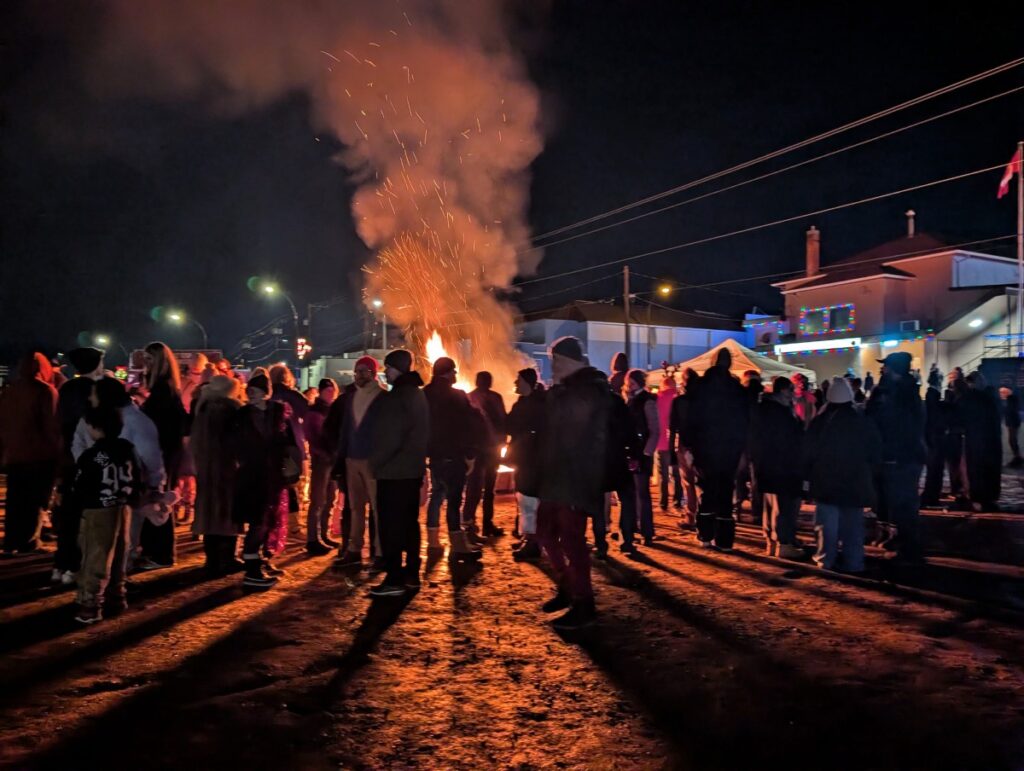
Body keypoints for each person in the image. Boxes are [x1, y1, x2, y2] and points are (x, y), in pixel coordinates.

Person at [534, 336, 616, 630]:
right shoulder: (569, 389)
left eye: (555, 361)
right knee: (544, 532)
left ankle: (584, 603)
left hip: (577, 476)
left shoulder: (589, 390)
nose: (551, 367)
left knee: (572, 541)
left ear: (568, 361)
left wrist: (556, 395)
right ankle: (568, 587)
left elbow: (576, 432)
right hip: (557, 475)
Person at [72, 377, 167, 572]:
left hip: (126, 493)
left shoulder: (136, 422)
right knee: (108, 540)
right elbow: (78, 443)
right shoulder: (90, 417)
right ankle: (111, 581)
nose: (90, 397)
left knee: (125, 538)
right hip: (106, 493)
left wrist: (154, 486)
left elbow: (151, 457)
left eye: (94, 393)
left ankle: (115, 579)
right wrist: (90, 464)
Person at [368, 350, 430, 597]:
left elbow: (389, 438)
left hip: (393, 473)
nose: (385, 372)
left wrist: (375, 463)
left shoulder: (396, 399)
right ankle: (412, 573)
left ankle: (394, 577)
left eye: (389, 368)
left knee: (390, 526)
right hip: (412, 471)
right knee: (409, 524)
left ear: (399, 369)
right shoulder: (418, 395)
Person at [804, 377, 881, 573]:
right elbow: (874, 450)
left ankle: (825, 558)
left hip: (826, 481)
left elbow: (808, 452)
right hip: (855, 481)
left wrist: (807, 476)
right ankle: (854, 562)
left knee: (826, 525)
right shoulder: (862, 420)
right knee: (853, 525)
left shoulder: (820, 422)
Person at [233, 373, 300, 589]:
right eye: (249, 391)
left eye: (256, 390)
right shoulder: (242, 415)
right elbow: (233, 444)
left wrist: (292, 468)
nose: (251, 394)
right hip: (251, 475)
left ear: (266, 392)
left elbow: (289, 443)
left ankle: (259, 562)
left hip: (272, 476)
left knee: (269, 520)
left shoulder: (278, 413)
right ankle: (252, 569)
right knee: (257, 520)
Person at [73, 406, 139, 624]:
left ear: (95, 428)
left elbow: (81, 485)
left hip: (98, 509)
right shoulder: (127, 450)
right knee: (120, 552)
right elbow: (137, 477)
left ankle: (90, 604)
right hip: (123, 507)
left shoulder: (90, 456)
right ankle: (117, 596)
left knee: (96, 555)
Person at [52, 348, 113, 581]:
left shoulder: (66, 388)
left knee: (68, 512)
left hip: (68, 457)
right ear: (96, 364)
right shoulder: (98, 390)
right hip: (91, 458)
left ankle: (61, 564)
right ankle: (75, 565)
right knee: (88, 515)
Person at [685, 348, 749, 551]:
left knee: (707, 490)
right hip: (730, 448)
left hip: (705, 448)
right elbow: (744, 422)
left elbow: (691, 420)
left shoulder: (700, 388)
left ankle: (705, 534)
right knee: (725, 491)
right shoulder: (736, 390)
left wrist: (689, 447)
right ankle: (725, 540)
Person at [866, 351, 926, 562]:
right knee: (886, 499)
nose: (883, 369)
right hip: (887, 454)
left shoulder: (905, 393)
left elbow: (905, 426)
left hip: (902, 456)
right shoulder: (886, 390)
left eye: (887, 366)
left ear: (895, 369)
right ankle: (891, 536)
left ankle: (907, 545)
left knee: (903, 501)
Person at [422, 356, 483, 561]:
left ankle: (432, 541)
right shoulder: (457, 395)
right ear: (448, 372)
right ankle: (458, 547)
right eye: (454, 371)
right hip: (453, 455)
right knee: (454, 500)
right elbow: (469, 425)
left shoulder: (425, 394)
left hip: (434, 455)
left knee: (436, 495)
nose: (456, 374)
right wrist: (470, 454)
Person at [0, 352, 60, 556]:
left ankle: (11, 540)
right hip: (39, 456)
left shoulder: (10, 391)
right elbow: (51, 426)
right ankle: (29, 541)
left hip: (14, 455)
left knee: (16, 499)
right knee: (36, 500)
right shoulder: (45, 391)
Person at [138, 342, 187, 570]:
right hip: (163, 451)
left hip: (162, 452)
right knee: (158, 499)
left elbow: (169, 425)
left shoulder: (163, 390)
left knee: (159, 501)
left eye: (150, 360)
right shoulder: (165, 388)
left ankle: (161, 553)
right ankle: (155, 551)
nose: (145, 365)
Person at [332, 356, 385, 568]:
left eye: (363, 371)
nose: (359, 375)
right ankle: (354, 549)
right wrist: (340, 461)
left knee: (378, 508)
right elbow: (345, 431)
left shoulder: (382, 398)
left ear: (373, 373)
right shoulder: (351, 398)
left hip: (373, 460)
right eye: (357, 371)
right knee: (355, 507)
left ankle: (380, 552)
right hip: (352, 459)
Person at [190, 375, 244, 575]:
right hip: (228, 467)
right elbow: (239, 439)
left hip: (205, 467)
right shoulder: (232, 408)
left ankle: (212, 559)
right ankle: (228, 558)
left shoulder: (202, 408)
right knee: (228, 512)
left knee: (209, 512)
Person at [749, 377, 805, 559]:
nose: (793, 394)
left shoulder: (764, 409)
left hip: (767, 465)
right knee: (784, 505)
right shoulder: (779, 413)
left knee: (771, 504)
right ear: (782, 391)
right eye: (791, 390)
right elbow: (792, 438)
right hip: (783, 464)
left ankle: (772, 541)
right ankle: (783, 542)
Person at [507, 368, 546, 562]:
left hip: (533, 460)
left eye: (518, 379)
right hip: (523, 459)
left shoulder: (538, 404)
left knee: (530, 500)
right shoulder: (523, 403)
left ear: (527, 382)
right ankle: (527, 537)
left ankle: (533, 542)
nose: (515, 383)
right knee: (523, 499)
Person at [464, 371, 507, 538]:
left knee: (482, 489)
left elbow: (502, 422)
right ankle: (474, 525)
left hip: (485, 451)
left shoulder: (474, 397)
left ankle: (479, 524)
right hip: (483, 450)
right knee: (480, 489)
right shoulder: (488, 398)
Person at [269, 364, 309, 536]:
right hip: (293, 447)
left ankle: (274, 523)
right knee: (292, 485)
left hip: (271, 447)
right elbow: (308, 414)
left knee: (274, 485)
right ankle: (293, 523)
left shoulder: (268, 396)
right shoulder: (294, 396)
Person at [304, 377, 340, 555]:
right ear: (320, 392)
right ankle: (313, 538)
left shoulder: (333, 410)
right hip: (321, 462)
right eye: (327, 390)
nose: (331, 393)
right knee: (318, 500)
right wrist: (325, 453)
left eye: (332, 390)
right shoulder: (315, 412)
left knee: (330, 499)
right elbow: (313, 437)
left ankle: (324, 534)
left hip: (333, 460)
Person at [624, 369, 658, 548]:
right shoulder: (630, 399)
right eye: (628, 382)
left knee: (642, 493)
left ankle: (647, 531)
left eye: (632, 382)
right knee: (631, 493)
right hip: (631, 452)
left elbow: (654, 429)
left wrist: (646, 453)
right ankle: (633, 528)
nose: (629, 385)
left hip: (641, 453)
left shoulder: (647, 400)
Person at [962, 372, 1002, 511]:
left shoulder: (973, 397)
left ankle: (978, 498)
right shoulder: (991, 397)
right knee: (989, 470)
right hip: (991, 440)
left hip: (977, 439)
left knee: (977, 469)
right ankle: (990, 497)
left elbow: (964, 416)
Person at [669, 369, 700, 527]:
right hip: (702, 443)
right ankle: (703, 514)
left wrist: (671, 451)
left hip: (685, 444)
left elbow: (673, 427)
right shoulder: (703, 400)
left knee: (688, 482)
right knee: (702, 481)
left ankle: (691, 515)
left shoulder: (679, 401)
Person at [655, 374, 682, 512]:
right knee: (677, 474)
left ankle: (663, 503)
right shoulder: (679, 399)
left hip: (661, 441)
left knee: (663, 475)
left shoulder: (657, 399)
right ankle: (677, 502)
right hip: (676, 442)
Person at [920, 378, 946, 508]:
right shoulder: (938, 410)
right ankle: (932, 496)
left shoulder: (927, 410)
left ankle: (930, 495)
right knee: (935, 472)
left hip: (932, 443)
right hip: (936, 443)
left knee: (933, 472)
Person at [999, 386, 1022, 467]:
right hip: (1012, 422)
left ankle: (1017, 458)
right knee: (1012, 440)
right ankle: (1017, 457)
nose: (1001, 394)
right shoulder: (1007, 400)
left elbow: (1011, 411)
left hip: (1013, 423)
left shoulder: (1011, 399)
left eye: (1002, 392)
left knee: (1012, 440)